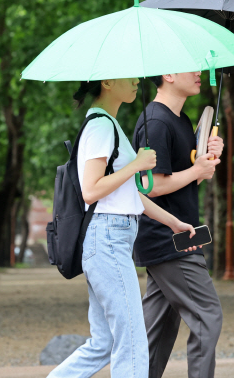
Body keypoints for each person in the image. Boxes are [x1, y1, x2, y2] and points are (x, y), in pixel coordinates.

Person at [48, 77, 200, 378]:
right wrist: (136, 164)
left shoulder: (107, 124)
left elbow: (129, 195)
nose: (137, 81)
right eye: (129, 76)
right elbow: (91, 191)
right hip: (107, 239)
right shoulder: (101, 126)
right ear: (108, 82)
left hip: (107, 237)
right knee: (131, 339)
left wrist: (173, 222)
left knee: (104, 343)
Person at [132, 71, 224, 378]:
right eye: (190, 66)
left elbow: (183, 181)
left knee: (157, 334)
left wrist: (204, 166)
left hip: (175, 237)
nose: (198, 73)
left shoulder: (181, 120)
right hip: (168, 239)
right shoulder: (156, 122)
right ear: (168, 74)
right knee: (207, 316)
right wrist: (196, 170)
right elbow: (152, 186)